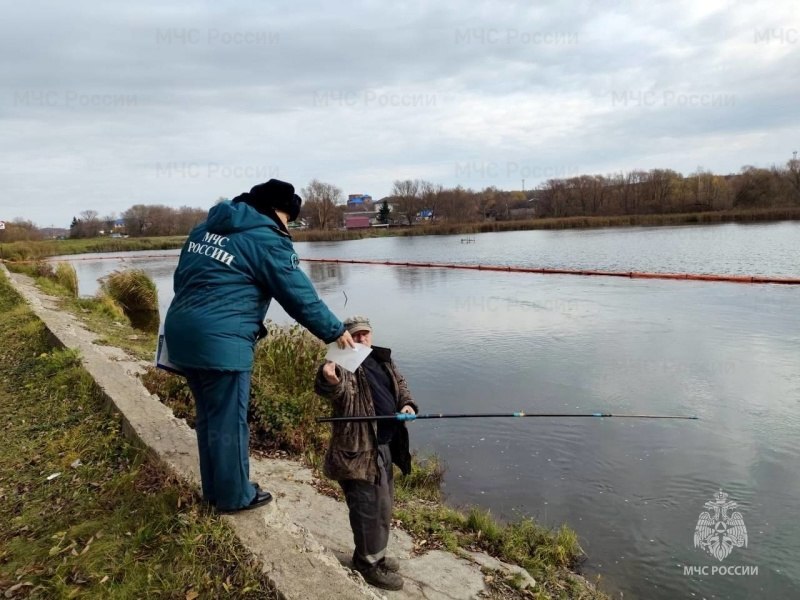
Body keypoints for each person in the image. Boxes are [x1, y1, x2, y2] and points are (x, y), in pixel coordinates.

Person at [164, 179, 354, 513]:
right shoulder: (267, 238)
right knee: (229, 422)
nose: (288, 226)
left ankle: (216, 492)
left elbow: (182, 279)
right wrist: (334, 331)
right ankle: (235, 497)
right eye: (288, 218)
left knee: (210, 417)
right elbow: (299, 296)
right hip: (221, 342)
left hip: (181, 332)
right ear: (277, 211)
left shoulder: (204, 229)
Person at [314, 315, 418, 591]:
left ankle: (377, 555)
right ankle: (366, 563)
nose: (361, 339)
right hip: (357, 451)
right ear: (345, 337)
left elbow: (401, 385)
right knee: (366, 509)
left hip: (384, 445)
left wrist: (407, 405)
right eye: (355, 335)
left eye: (365, 334)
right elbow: (335, 391)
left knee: (383, 506)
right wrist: (330, 379)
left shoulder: (382, 359)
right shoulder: (341, 361)